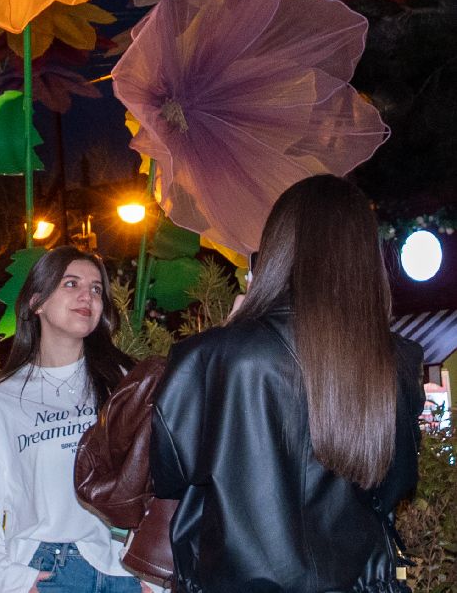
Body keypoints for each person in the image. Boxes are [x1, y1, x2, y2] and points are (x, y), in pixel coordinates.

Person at [150, 175, 425, 593]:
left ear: (277, 247)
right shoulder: (396, 360)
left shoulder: (212, 357)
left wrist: (227, 337)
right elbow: (397, 483)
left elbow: (167, 475)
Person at [0, 246, 143, 593]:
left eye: (96, 289)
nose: (87, 296)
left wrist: (151, 577)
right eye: (71, 284)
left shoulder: (125, 384)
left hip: (123, 569)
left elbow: (155, 479)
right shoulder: (3, 400)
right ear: (37, 302)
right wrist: (13, 581)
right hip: (47, 570)